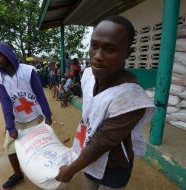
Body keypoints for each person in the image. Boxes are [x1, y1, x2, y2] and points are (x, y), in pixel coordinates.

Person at [55, 15, 155, 190]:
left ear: (128, 53)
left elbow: (102, 142)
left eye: (110, 49)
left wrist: (71, 169)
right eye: (94, 46)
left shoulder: (131, 98)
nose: (98, 56)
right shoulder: (88, 76)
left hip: (113, 166)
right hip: (86, 154)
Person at [0, 42, 52, 190]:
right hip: (17, 119)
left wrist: (47, 115)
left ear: (8, 54)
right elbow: (5, 104)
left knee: (39, 147)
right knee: (9, 148)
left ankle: (43, 172)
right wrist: (10, 126)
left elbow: (40, 94)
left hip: (35, 116)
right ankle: (18, 174)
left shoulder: (28, 71)